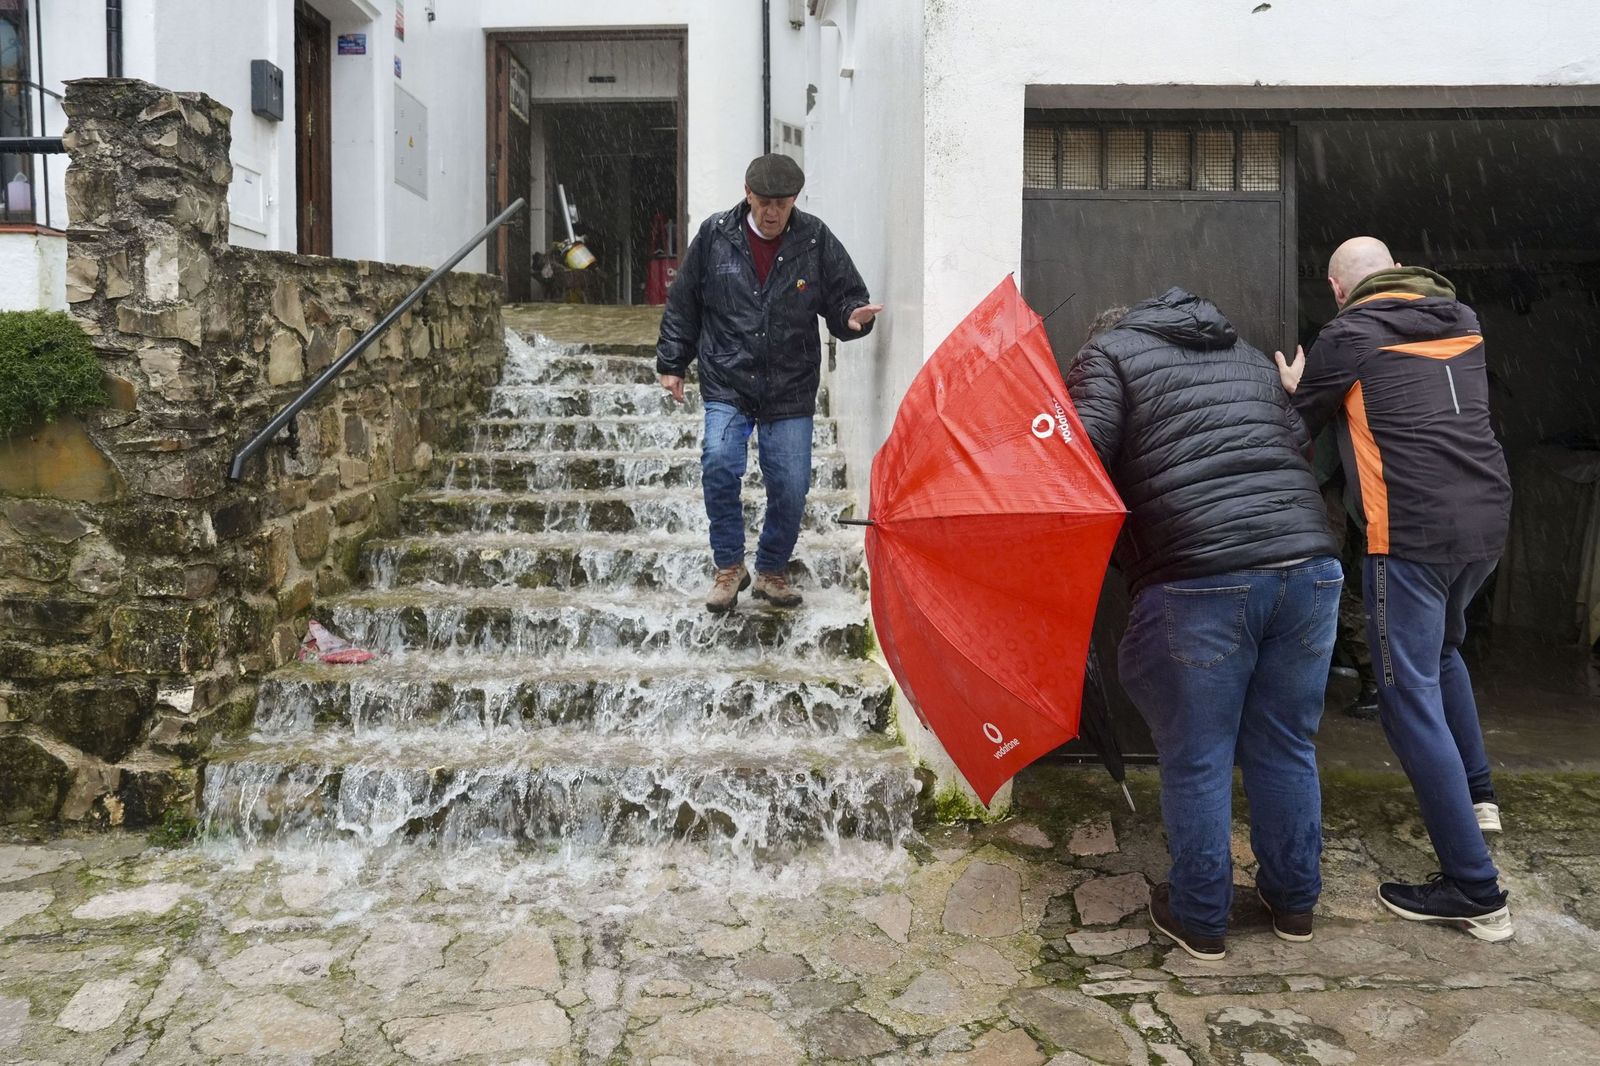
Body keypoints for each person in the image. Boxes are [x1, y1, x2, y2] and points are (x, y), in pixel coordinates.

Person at [1068, 290, 1341, 961]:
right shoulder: (1246, 356)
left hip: (1203, 576)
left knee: (1199, 755)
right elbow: (1298, 444)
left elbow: (1078, 462)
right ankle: (1293, 903)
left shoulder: (1105, 355)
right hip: (1309, 566)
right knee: (1286, 745)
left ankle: (1200, 918)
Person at [1277, 236, 1513, 942]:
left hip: (1407, 531)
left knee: (1406, 698)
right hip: (1485, 522)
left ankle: (1474, 889)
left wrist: (1299, 384)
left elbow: (1297, 427)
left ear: (1336, 287)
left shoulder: (1347, 334)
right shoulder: (1461, 315)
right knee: (1441, 656)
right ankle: (1478, 798)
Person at [655, 154, 881, 613]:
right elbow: (684, 305)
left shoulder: (815, 238)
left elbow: (845, 298)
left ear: (794, 200)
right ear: (748, 194)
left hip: (789, 384)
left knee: (792, 485)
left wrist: (851, 319)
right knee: (719, 464)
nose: (772, 213)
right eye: (764, 203)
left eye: (782, 203)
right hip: (727, 378)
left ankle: (772, 570)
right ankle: (728, 568)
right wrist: (673, 362)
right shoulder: (715, 236)